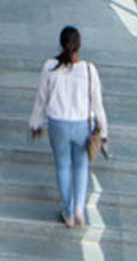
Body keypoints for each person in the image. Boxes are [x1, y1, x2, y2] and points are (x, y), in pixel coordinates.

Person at [29, 25, 107, 227]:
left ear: (60, 44)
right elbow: (97, 103)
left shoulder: (49, 67)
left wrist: (35, 122)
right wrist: (104, 131)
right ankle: (79, 207)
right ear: (79, 45)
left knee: (62, 165)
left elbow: (41, 99)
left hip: (58, 124)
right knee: (81, 165)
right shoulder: (89, 69)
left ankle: (68, 211)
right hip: (82, 125)